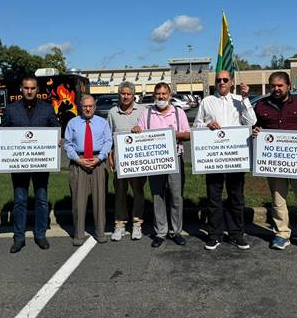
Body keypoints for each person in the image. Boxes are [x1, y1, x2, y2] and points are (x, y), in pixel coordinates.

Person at [252, 72, 297, 254]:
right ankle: (282, 234)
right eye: (273, 86)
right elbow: (254, 127)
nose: (276, 89)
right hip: (274, 162)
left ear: (288, 86)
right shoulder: (261, 106)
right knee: (278, 200)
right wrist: (255, 131)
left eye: (280, 86)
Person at [194, 70, 256, 250]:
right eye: (218, 80)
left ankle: (236, 233)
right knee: (214, 196)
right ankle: (215, 234)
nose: (221, 82)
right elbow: (197, 124)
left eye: (225, 80)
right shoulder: (207, 101)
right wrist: (207, 124)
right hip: (214, 157)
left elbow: (251, 122)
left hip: (235, 157)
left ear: (232, 82)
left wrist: (245, 99)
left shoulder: (239, 100)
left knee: (236, 196)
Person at [0, 75, 61, 253]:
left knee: (42, 199)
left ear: (37, 90)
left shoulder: (47, 109)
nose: (29, 91)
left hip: (41, 162)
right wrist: (0, 142)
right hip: (19, 163)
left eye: (32, 88)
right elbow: (3, 131)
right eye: (26, 88)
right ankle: (19, 237)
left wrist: (57, 140)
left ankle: (40, 234)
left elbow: (56, 129)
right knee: (20, 200)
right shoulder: (11, 109)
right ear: (21, 89)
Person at [132, 82, 190, 248]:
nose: (161, 97)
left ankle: (176, 231)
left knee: (176, 196)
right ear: (154, 95)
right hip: (155, 161)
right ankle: (161, 232)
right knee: (158, 197)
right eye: (158, 94)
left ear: (170, 95)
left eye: (164, 94)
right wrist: (136, 129)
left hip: (175, 159)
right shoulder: (147, 113)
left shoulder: (178, 112)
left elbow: (187, 134)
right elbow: (140, 131)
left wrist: (174, 135)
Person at [64, 94, 112, 246]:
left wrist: (100, 158)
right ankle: (78, 234)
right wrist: (78, 160)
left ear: (95, 107)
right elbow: (68, 144)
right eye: (85, 106)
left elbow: (108, 141)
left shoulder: (102, 123)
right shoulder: (73, 123)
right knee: (78, 201)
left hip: (98, 162)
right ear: (80, 107)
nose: (88, 108)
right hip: (79, 161)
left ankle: (100, 232)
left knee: (100, 200)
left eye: (90, 106)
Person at [107, 81, 147, 241]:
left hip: (137, 161)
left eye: (128, 94)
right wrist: (110, 156)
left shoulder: (143, 111)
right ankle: (120, 224)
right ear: (119, 95)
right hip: (119, 160)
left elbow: (149, 135)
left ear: (133, 95)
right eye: (122, 93)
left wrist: (141, 130)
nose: (125, 96)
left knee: (138, 192)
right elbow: (108, 136)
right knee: (120, 193)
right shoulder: (112, 112)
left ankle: (137, 224)